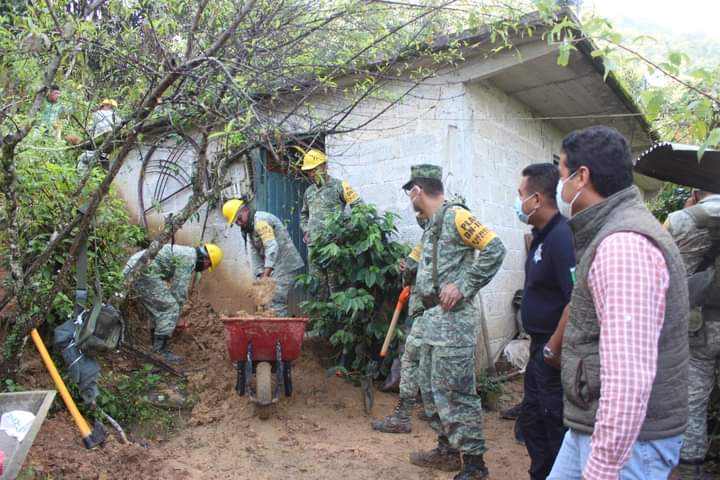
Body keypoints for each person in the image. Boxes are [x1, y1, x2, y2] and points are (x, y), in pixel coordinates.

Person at [547, 126, 689, 480]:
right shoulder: (607, 232)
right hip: (594, 425)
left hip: (629, 443)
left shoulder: (623, 246)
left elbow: (628, 380)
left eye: (561, 175)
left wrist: (602, 468)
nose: (558, 188)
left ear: (582, 177)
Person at [404, 164, 506, 480]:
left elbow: (495, 248)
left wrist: (464, 285)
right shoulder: (432, 224)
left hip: (454, 322)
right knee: (432, 389)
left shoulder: (457, 216)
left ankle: (475, 464)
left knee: (458, 392)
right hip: (433, 319)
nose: (410, 198)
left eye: (410, 193)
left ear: (417, 191)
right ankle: (447, 451)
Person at [514, 163, 575, 479]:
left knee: (554, 426)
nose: (518, 201)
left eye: (520, 194)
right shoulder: (541, 236)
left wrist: (553, 349)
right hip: (539, 351)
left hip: (553, 354)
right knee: (532, 422)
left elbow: (576, 299)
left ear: (536, 199)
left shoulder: (562, 238)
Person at [665, 188, 720, 480]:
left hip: (696, 326)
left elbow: (663, 268)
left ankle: (690, 471)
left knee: (693, 401)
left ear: (696, 192)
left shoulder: (680, 220)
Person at [123, 243, 223, 361]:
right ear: (206, 260)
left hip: (137, 266)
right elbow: (179, 291)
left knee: (160, 307)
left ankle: (155, 345)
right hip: (143, 270)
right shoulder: (189, 259)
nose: (205, 269)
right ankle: (159, 351)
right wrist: (177, 317)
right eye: (208, 266)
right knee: (170, 307)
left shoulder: (187, 253)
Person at [371, 234, 426, 433]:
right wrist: (408, 270)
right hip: (420, 307)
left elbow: (415, 267)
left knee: (415, 357)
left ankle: (412, 414)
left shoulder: (448, 228)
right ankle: (409, 413)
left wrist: (411, 272)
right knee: (413, 357)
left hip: (430, 311)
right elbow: (412, 264)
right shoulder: (428, 236)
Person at [223, 198, 304, 316]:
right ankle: (272, 330)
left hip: (285, 263)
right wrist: (260, 274)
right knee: (264, 299)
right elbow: (254, 254)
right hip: (273, 266)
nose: (239, 224)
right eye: (236, 222)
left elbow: (272, 247)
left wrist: (265, 276)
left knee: (274, 299)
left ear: (245, 210)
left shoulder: (260, 221)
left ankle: (282, 331)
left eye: (239, 219)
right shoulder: (248, 228)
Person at [299, 148, 361, 300]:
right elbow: (303, 215)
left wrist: (343, 233)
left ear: (325, 166)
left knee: (337, 289)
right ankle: (322, 321)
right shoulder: (309, 192)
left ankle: (340, 323)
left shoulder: (341, 186)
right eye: (309, 171)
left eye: (315, 169)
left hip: (334, 248)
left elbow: (360, 210)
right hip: (314, 248)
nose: (312, 174)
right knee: (318, 289)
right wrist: (306, 230)